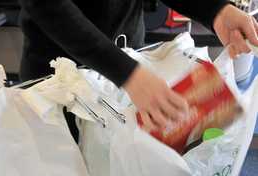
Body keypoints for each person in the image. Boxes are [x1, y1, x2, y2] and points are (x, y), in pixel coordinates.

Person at [18, 0, 258, 132]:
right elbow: (46, 5)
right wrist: (126, 73)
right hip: (60, 74)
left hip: (128, 51)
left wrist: (215, 10)